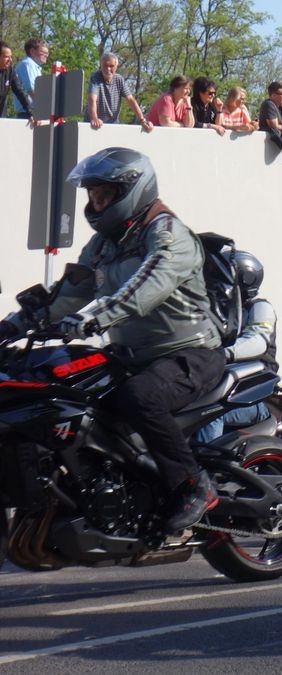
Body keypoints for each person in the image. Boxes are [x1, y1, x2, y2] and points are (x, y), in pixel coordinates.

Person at [0, 148, 225, 532]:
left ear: (131, 192)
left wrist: (91, 319)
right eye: (92, 195)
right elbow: (68, 293)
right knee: (65, 393)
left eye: (104, 195)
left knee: (141, 396)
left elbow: (143, 289)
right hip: (131, 356)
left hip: (189, 354)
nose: (95, 202)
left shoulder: (170, 235)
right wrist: (13, 326)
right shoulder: (105, 242)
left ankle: (193, 484)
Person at [195, 251, 277, 443]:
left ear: (245, 280)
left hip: (254, 397)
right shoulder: (222, 313)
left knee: (209, 414)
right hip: (223, 391)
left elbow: (257, 341)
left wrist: (220, 353)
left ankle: (206, 469)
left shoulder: (259, 309)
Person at [85, 53, 153, 131]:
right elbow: (92, 99)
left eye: (111, 66)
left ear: (116, 67)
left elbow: (130, 100)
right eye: (105, 65)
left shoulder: (119, 79)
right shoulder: (95, 77)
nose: (108, 69)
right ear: (101, 65)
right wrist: (94, 119)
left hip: (113, 125)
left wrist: (142, 120)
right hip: (94, 126)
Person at [13, 38, 48, 119]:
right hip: (28, 114)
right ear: (32, 51)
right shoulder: (28, 64)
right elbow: (31, 89)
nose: (46, 55)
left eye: (47, 53)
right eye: (43, 52)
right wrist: (46, 107)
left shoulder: (35, 66)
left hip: (32, 112)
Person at [0, 41, 33, 120]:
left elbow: (20, 91)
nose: (10, 60)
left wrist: (30, 113)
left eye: (11, 57)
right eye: (6, 57)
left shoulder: (10, 71)